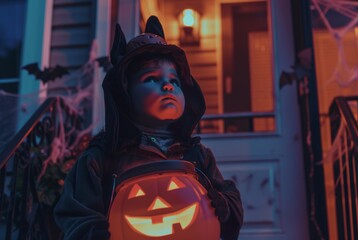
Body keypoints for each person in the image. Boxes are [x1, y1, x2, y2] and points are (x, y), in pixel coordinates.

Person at [54, 16, 244, 240]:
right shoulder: (101, 159)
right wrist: (92, 233)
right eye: (151, 78)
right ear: (125, 94)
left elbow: (230, 200)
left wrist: (224, 206)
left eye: (174, 81)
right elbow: (75, 214)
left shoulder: (197, 156)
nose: (167, 85)